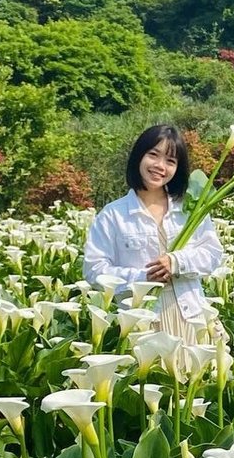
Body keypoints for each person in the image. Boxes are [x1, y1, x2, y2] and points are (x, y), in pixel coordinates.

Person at [83, 124, 225, 343]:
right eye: (153, 155)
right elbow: (94, 271)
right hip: (143, 325)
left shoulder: (190, 209)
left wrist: (177, 261)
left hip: (193, 319)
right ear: (139, 156)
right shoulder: (113, 215)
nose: (160, 166)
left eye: (170, 161)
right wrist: (143, 278)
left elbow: (213, 254)